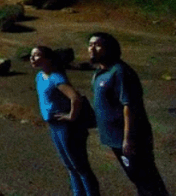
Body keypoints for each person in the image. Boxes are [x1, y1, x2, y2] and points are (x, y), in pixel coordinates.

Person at [89, 32, 170, 196]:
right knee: (137, 178)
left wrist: (129, 138)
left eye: (97, 45)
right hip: (114, 138)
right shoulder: (100, 73)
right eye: (90, 44)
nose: (92, 49)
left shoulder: (120, 72)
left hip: (130, 139)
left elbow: (129, 106)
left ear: (109, 48)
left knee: (147, 180)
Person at [31, 46, 100, 196]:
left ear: (48, 59)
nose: (32, 58)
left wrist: (71, 116)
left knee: (80, 166)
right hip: (54, 125)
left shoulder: (56, 78)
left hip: (67, 126)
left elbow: (75, 97)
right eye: (32, 55)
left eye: (37, 55)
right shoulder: (39, 76)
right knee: (69, 165)